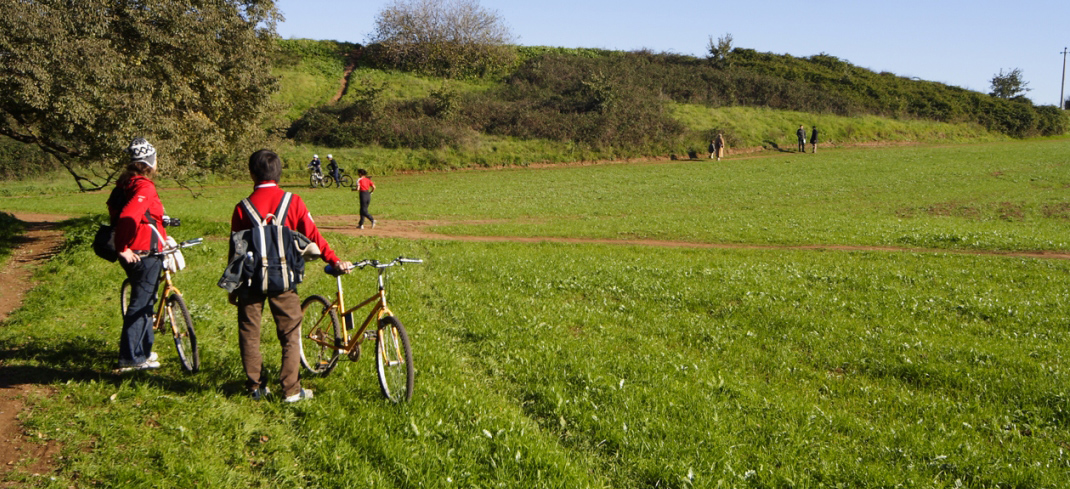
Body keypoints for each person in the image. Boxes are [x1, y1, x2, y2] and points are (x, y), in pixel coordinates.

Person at [230, 149, 351, 402]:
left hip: (251, 281)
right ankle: (291, 390)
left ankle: (256, 388)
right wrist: (335, 260)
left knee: (249, 333)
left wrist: (233, 287)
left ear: (252, 173)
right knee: (290, 333)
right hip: (283, 279)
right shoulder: (293, 202)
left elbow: (236, 252)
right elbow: (314, 236)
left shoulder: (242, 208)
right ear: (279, 174)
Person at [107, 138, 169, 371]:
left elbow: (135, 214)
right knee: (141, 305)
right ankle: (130, 359)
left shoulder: (125, 183)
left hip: (138, 251)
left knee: (146, 302)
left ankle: (142, 352)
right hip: (144, 253)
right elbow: (128, 216)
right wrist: (123, 247)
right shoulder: (144, 186)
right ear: (150, 161)